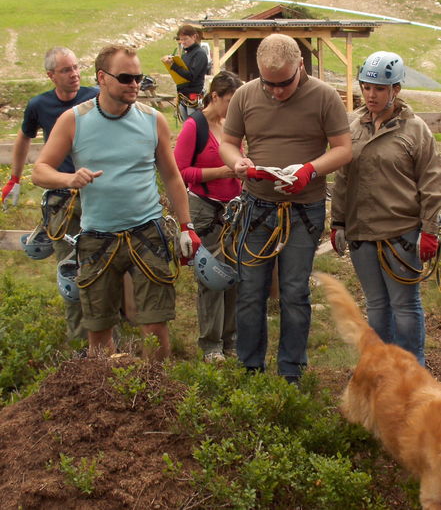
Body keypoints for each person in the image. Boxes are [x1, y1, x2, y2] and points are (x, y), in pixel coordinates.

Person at [32, 44, 201, 359]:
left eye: (139, 77)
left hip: (148, 234)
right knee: (98, 330)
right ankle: (107, 400)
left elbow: (173, 177)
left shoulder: (153, 120)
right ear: (102, 78)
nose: (135, 84)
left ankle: (156, 397)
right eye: (125, 77)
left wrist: (186, 226)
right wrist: (68, 180)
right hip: (97, 237)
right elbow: (40, 171)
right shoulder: (74, 120)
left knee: (155, 327)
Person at [219, 33, 352, 383]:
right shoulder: (246, 95)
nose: (275, 91)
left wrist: (310, 170)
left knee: (294, 292)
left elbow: (343, 148)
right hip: (257, 206)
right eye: (269, 83)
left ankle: (292, 372)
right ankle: (250, 370)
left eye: (284, 83)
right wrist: (237, 163)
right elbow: (228, 143)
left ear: (301, 68)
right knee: (250, 290)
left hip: (302, 210)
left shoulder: (323, 96)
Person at [330, 50, 441, 366]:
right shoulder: (354, 127)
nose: (371, 94)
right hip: (362, 233)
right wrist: (338, 221)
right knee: (377, 306)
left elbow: (431, 183)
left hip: (401, 235)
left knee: (404, 306)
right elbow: (343, 178)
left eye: (379, 88)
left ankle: (412, 368)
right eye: (366, 86)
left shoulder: (415, 130)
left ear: (396, 90)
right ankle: (381, 369)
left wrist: (430, 230)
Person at [1, 47, 99, 341]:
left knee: (104, 264)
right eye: (67, 70)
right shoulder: (39, 105)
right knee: (69, 267)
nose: (75, 74)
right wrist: (15, 178)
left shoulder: (95, 98)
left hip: (97, 192)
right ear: (51, 75)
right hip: (62, 200)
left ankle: (110, 336)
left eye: (76, 67)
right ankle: (80, 343)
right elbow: (23, 139)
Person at [174, 71, 243, 363]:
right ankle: (211, 344)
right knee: (212, 276)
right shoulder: (194, 126)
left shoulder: (232, 124)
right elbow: (179, 171)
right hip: (205, 210)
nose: (233, 106)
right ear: (215, 96)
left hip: (234, 209)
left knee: (235, 276)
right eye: (230, 100)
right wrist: (221, 172)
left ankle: (231, 340)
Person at [161, 24, 209, 121]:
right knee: (186, 126)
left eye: (185, 39)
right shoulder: (186, 55)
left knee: (194, 126)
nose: (183, 42)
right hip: (183, 97)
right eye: (181, 40)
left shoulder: (200, 54)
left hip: (193, 97)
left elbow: (191, 76)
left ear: (194, 37)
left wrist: (174, 66)